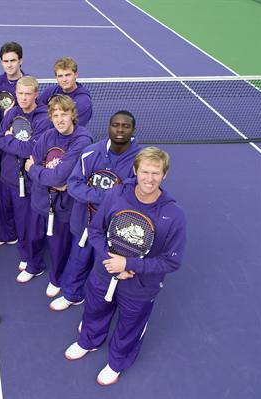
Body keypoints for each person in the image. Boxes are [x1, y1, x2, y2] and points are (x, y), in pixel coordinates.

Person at [64, 147, 186, 386]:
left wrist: (130, 265)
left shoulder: (174, 215)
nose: (149, 179)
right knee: (94, 311)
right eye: (145, 172)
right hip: (105, 271)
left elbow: (172, 260)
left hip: (140, 287)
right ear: (135, 171)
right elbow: (95, 230)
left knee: (130, 326)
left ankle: (117, 362)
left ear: (165, 175)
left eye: (155, 173)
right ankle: (88, 341)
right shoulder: (116, 195)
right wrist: (111, 259)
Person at [49, 111, 142, 308]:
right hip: (84, 220)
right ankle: (71, 295)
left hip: (113, 229)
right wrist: (104, 197)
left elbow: (131, 194)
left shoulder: (140, 161)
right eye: (115, 124)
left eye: (125, 126)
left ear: (133, 130)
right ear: (108, 126)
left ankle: (96, 308)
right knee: (78, 258)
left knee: (104, 269)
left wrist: (98, 196)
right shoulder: (91, 152)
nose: (120, 129)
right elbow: (74, 185)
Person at [17, 95, 92, 287]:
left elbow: (58, 176)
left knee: (59, 246)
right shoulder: (48, 136)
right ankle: (34, 266)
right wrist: (49, 178)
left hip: (64, 207)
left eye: (64, 114)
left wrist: (36, 170)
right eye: (55, 115)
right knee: (33, 237)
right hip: (40, 200)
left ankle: (57, 278)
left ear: (72, 115)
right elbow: (33, 161)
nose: (60, 119)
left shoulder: (82, 141)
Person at [0, 76, 50, 271]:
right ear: (16, 93)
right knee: (4, 211)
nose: (23, 98)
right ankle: (6, 235)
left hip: (25, 182)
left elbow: (31, 150)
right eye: (20, 93)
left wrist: (11, 141)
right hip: (6, 175)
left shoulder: (44, 119)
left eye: (27, 94)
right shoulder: (12, 112)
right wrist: (16, 143)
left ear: (36, 95)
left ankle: (26, 253)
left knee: (24, 221)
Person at [0, 41, 30, 208]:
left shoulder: (27, 84)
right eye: (6, 61)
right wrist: (2, 114)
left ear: (20, 61)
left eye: (13, 60)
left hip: (18, 139)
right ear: (1, 62)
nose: (9, 65)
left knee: (11, 172)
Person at [37, 57, 92, 126]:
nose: (64, 79)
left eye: (67, 75)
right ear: (56, 77)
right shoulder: (50, 91)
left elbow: (73, 127)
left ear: (76, 74)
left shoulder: (83, 101)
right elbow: (36, 109)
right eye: (60, 76)